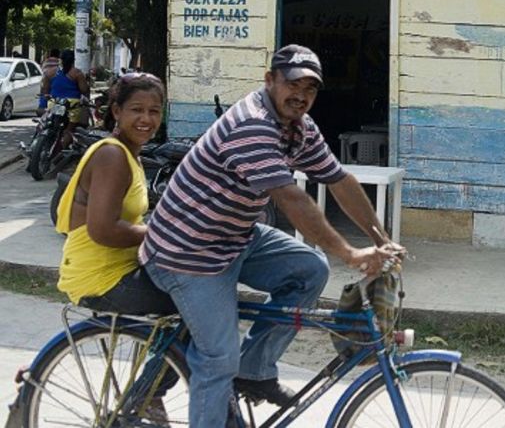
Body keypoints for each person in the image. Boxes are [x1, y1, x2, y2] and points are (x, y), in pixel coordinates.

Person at [140, 44, 405, 427]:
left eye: (311, 89)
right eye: (292, 84)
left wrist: (380, 238)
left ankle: (255, 369)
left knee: (310, 270)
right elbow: (292, 199)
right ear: (270, 81)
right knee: (217, 360)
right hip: (188, 253)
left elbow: (339, 180)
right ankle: (232, 374)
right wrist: (350, 253)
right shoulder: (252, 124)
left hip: (235, 238)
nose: (301, 95)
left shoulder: (299, 127)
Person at [55, 72, 175, 315]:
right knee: (201, 299)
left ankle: (171, 354)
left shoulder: (132, 155)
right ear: (117, 111)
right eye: (137, 109)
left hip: (120, 267)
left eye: (154, 111)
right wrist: (162, 234)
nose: (146, 119)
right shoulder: (112, 156)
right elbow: (103, 230)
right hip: (101, 277)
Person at [48, 49, 90, 149]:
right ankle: (60, 151)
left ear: (61, 60)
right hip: (71, 105)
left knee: (48, 122)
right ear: (73, 60)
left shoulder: (52, 72)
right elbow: (84, 90)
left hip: (54, 102)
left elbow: (46, 87)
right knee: (69, 130)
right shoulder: (77, 73)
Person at [37, 49, 61, 116]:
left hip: (45, 81)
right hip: (55, 81)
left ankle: (43, 108)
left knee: (44, 95)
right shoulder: (59, 62)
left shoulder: (46, 61)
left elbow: (42, 69)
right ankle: (55, 110)